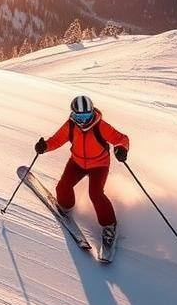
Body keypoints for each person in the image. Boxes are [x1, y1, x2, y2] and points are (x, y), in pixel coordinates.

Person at [34, 95, 129, 248]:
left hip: (99, 164)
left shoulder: (100, 125)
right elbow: (57, 140)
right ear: (73, 114)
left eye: (87, 115)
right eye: (80, 115)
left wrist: (121, 149)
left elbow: (121, 139)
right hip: (77, 162)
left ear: (92, 112)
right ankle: (65, 207)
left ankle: (110, 226)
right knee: (63, 186)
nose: (84, 119)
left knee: (95, 194)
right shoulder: (70, 125)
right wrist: (44, 146)